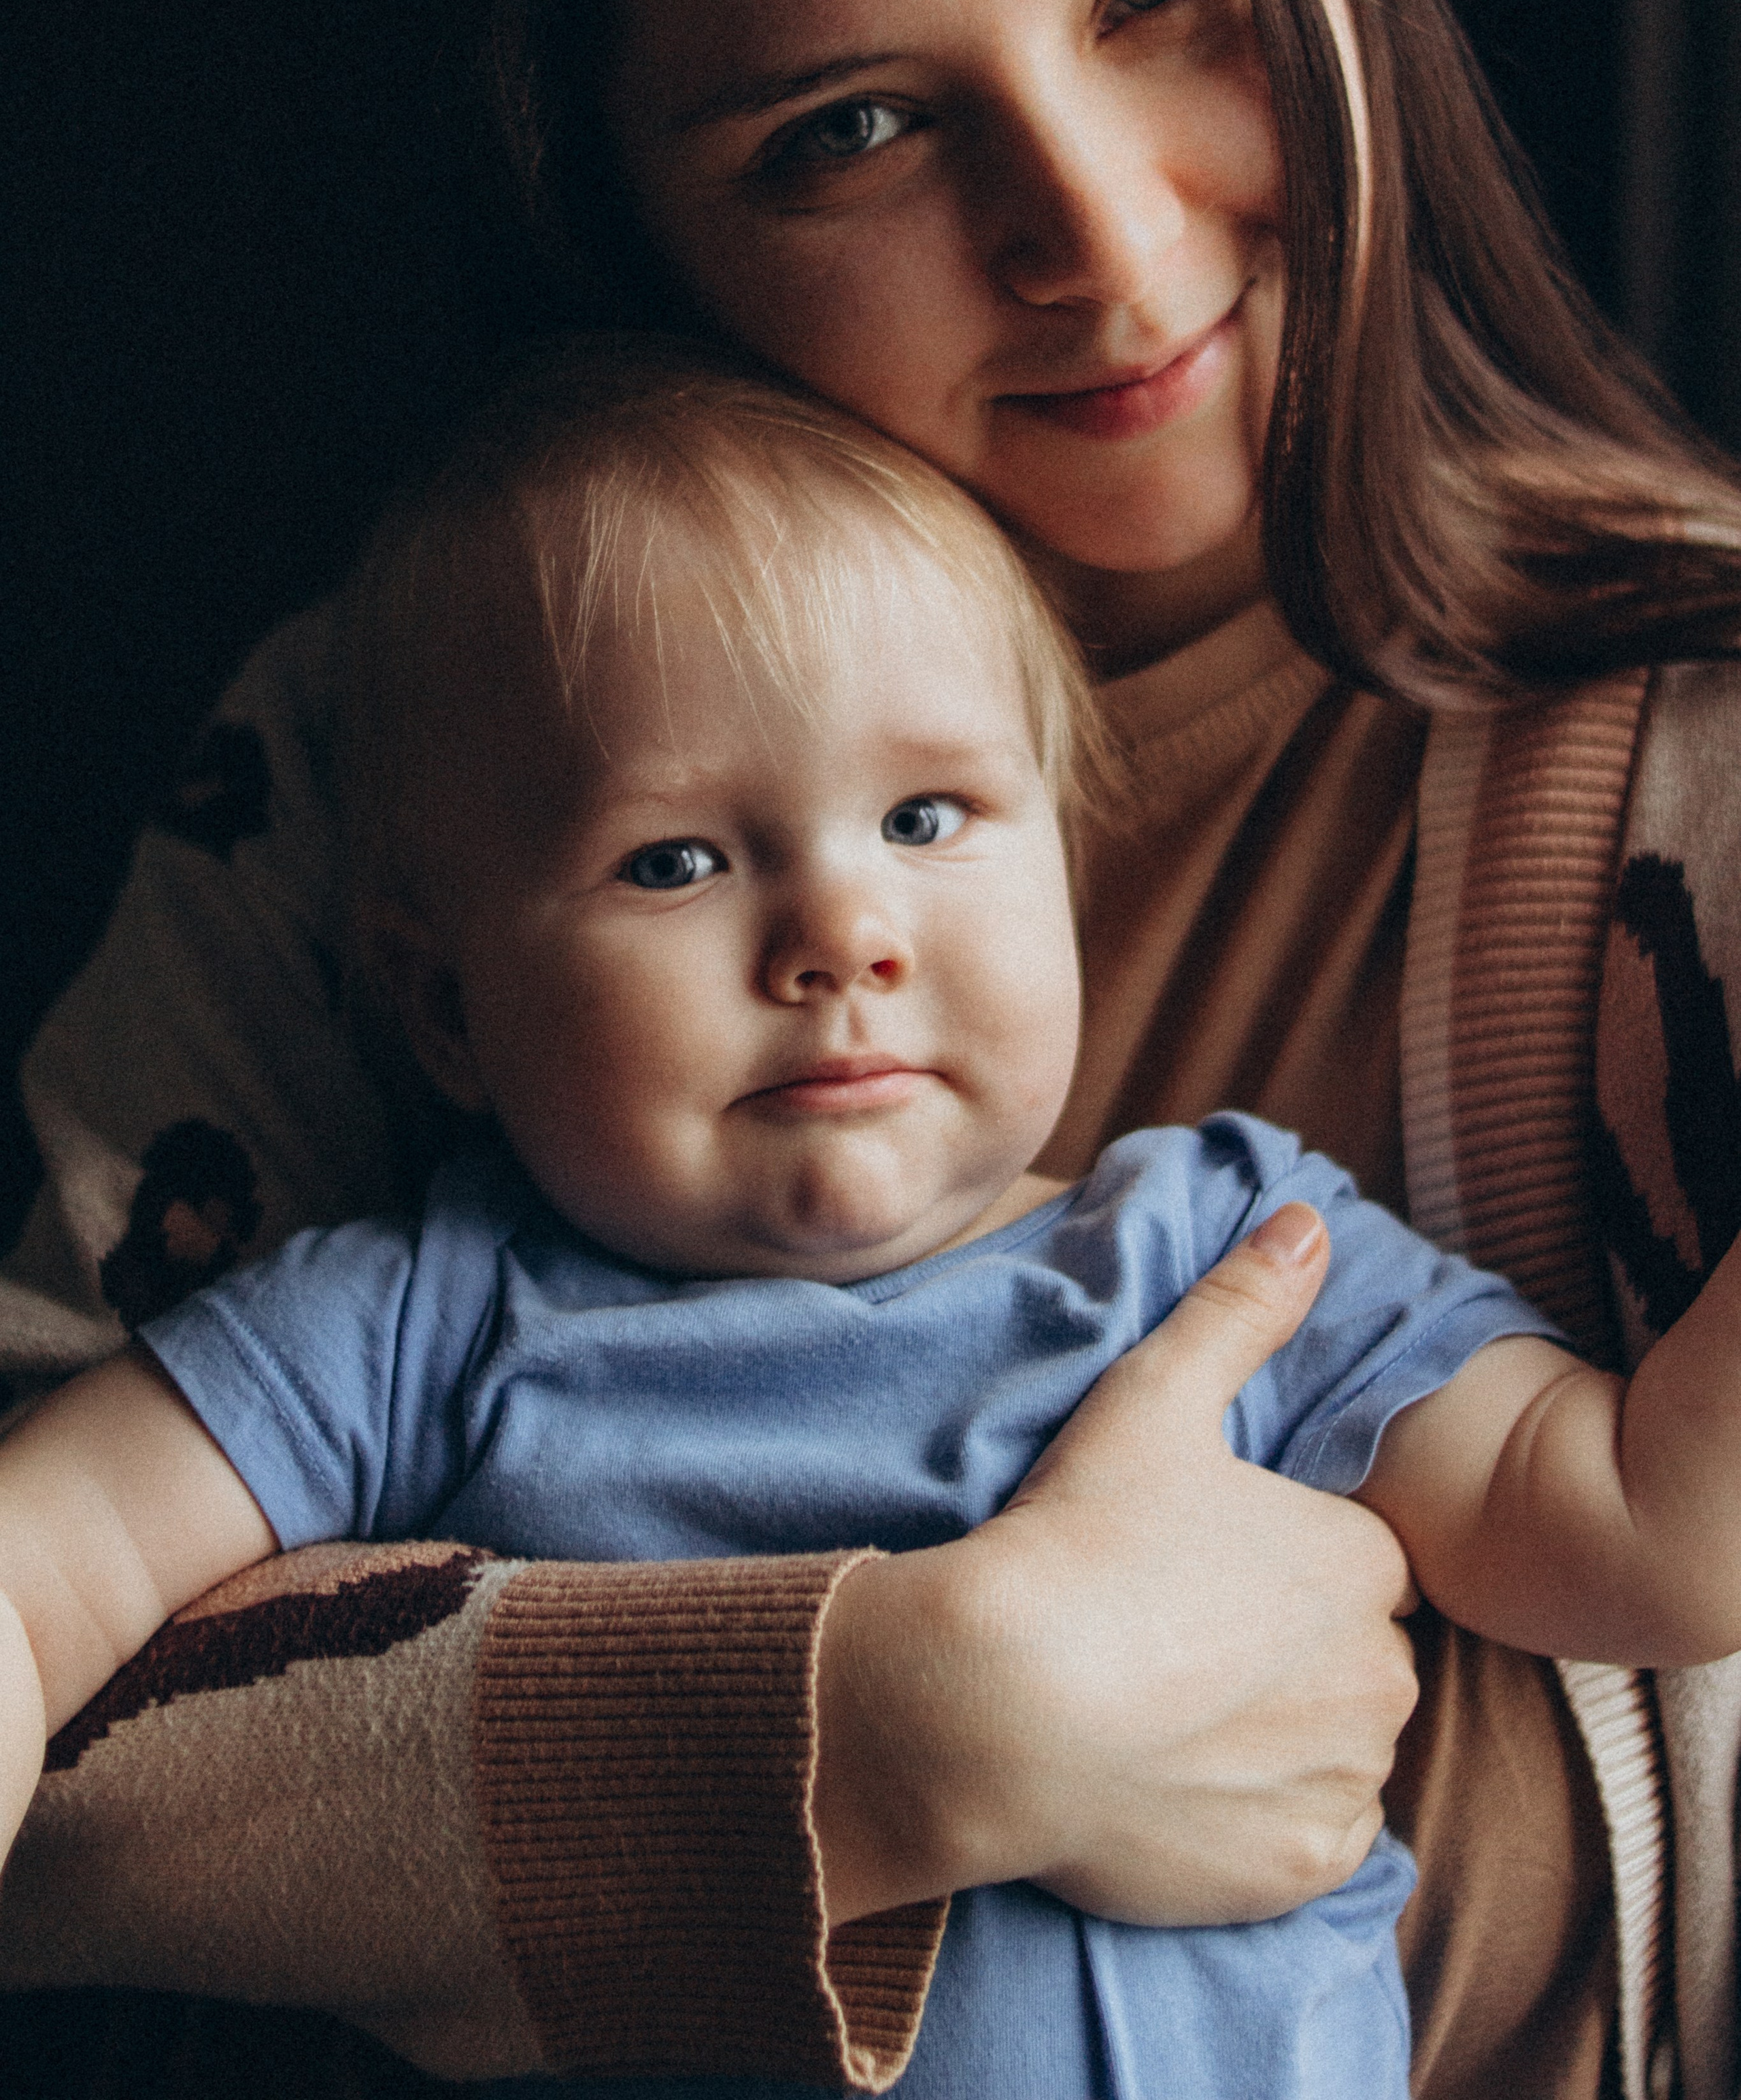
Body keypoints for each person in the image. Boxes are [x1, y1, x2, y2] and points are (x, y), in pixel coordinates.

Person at [7, 0, 1741, 2097]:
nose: (1099, 222)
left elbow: (1654, 1535)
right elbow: (55, 1716)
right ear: (644, 241)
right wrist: (888, 1721)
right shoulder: (398, 754)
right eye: (848, 131)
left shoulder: (1682, 803)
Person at [10, 361, 1741, 2100]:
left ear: (1060, 870)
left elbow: (1649, 1542)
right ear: (445, 1008)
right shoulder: (411, 1326)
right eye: (675, 860)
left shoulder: (1229, 1253)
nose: (841, 932)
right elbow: (48, 1564)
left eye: (926, 821)